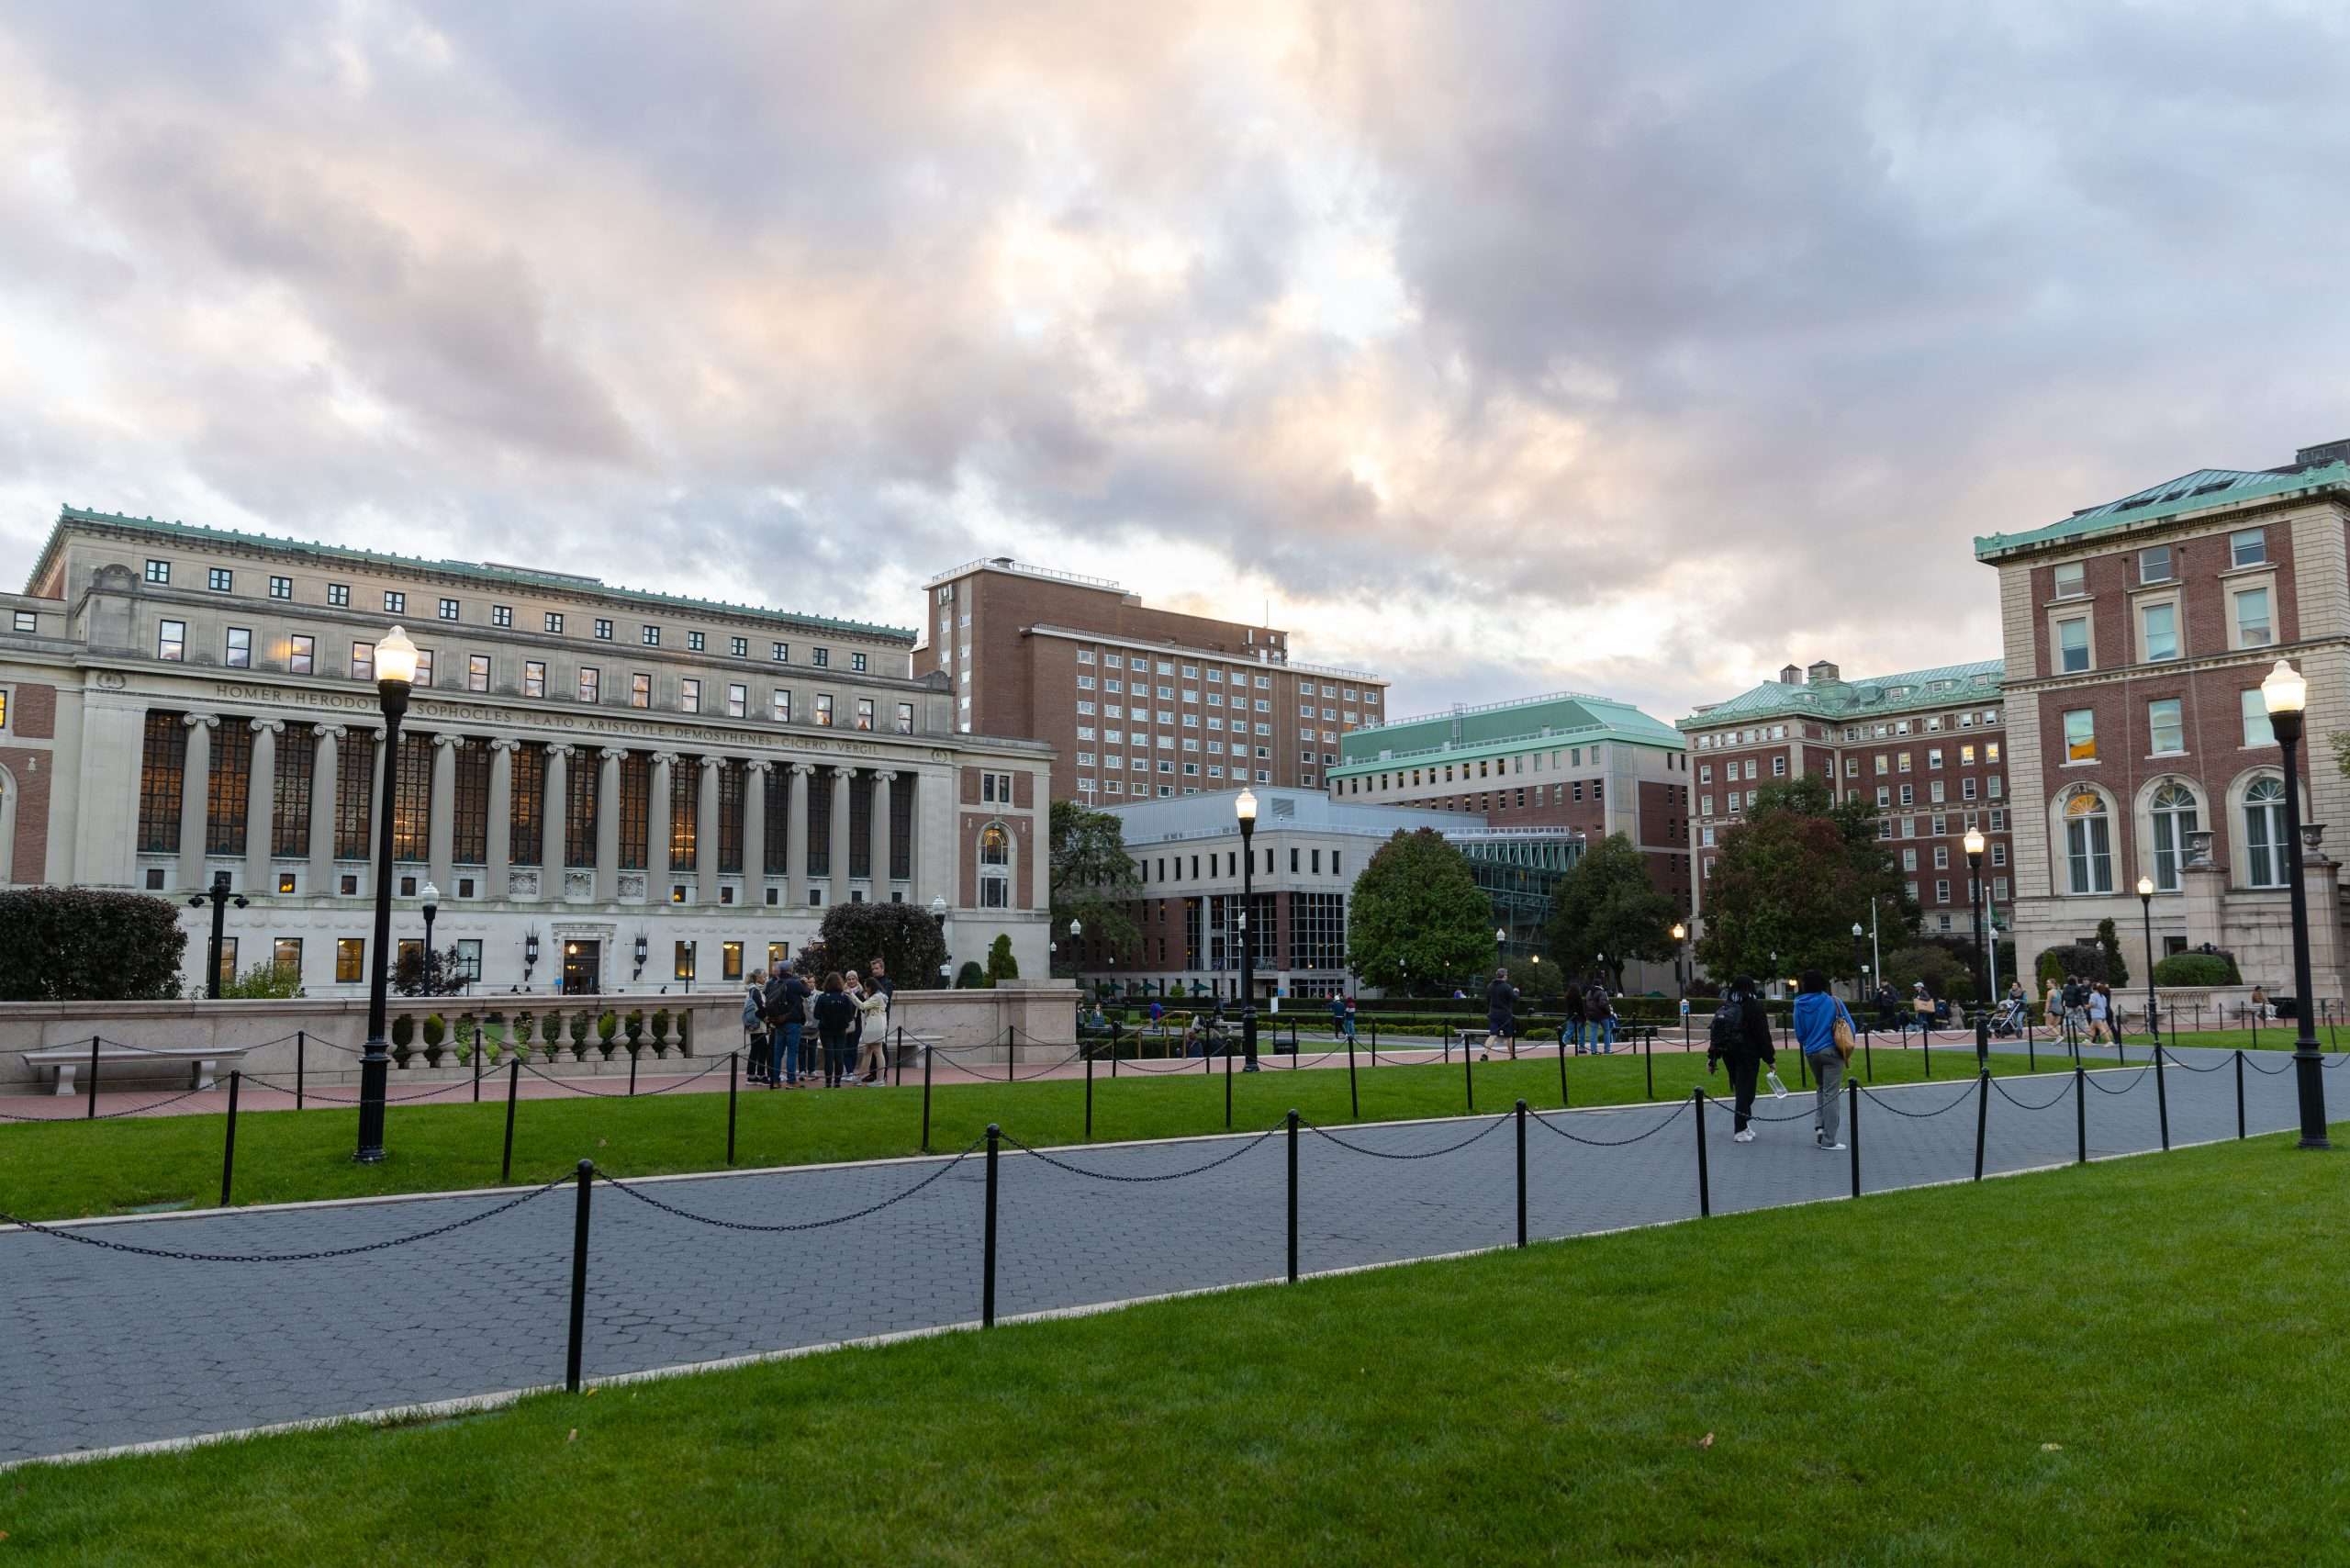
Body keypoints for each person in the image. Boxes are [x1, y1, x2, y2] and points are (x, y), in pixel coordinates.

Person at [1707, 975, 1778, 1143]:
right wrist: (1770, 1058)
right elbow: (1762, 1035)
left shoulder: (1726, 1006)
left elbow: (1717, 1034)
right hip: (1748, 1054)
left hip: (1729, 1053)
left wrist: (1713, 1057)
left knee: (1740, 1089)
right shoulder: (1754, 1007)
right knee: (1747, 1092)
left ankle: (1744, 1124)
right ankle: (1740, 1128)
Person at [1792, 969, 1852, 1152]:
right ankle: (1829, 1139)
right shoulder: (1833, 1002)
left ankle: (1820, 1127)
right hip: (1832, 1051)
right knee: (1831, 1094)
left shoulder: (1799, 1005)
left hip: (1812, 1052)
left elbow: (1799, 1033)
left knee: (1821, 1088)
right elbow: (1850, 1025)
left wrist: (1809, 1043)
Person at [764, 964, 811, 1087]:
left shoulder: (774, 983)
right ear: (790, 970)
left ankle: (775, 1080)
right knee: (792, 1052)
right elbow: (807, 993)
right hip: (793, 1021)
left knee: (778, 1053)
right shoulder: (795, 983)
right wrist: (804, 983)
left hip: (779, 1022)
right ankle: (791, 1080)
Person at [811, 972, 856, 1088]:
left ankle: (828, 1082)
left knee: (829, 1056)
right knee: (839, 1055)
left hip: (826, 1030)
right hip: (841, 1030)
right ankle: (837, 1082)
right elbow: (850, 1016)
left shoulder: (822, 997)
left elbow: (816, 1015)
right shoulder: (844, 998)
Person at [852, 970, 891, 1082]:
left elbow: (862, 1006)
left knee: (878, 1052)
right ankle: (860, 1077)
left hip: (875, 1026)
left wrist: (851, 995)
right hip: (874, 1026)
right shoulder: (878, 996)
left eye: (866, 987)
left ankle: (880, 1080)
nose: (866, 990)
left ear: (871, 987)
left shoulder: (877, 997)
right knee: (867, 1051)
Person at [742, 969, 771, 1084]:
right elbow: (760, 1007)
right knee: (763, 1049)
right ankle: (760, 1075)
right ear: (758, 977)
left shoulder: (751, 990)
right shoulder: (756, 990)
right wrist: (767, 1020)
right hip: (758, 1024)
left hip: (753, 1024)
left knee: (755, 1049)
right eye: (764, 977)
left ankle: (752, 1075)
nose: (766, 979)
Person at [1484, 968, 1518, 1060]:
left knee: (1492, 1035)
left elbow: (1488, 999)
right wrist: (1516, 992)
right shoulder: (1507, 987)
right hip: (1505, 1015)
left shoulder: (1490, 986)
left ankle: (1485, 1054)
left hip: (1493, 1014)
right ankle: (1512, 1056)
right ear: (1504, 976)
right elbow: (1514, 999)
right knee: (1509, 1036)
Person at [1584, 977, 1616, 1054]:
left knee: (1593, 1032)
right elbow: (1603, 1004)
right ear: (1600, 984)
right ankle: (1607, 1049)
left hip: (1592, 1015)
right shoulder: (1602, 992)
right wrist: (1608, 1012)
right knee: (1607, 1031)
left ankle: (1593, 1050)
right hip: (1602, 1015)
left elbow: (1587, 1004)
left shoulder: (1589, 992)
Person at [1561, 982, 1587, 1054]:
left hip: (1570, 1016)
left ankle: (1563, 1042)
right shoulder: (1578, 997)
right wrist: (1584, 1018)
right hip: (1579, 1017)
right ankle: (1581, 1048)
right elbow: (1581, 1009)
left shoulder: (1567, 997)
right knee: (1582, 1033)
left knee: (1569, 1031)